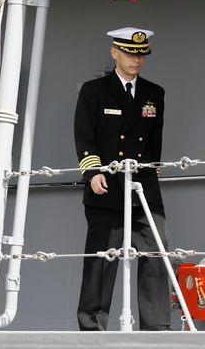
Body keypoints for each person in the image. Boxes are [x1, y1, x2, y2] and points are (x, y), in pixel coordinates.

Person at [74, 27, 170, 331]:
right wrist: (92, 171)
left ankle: (157, 329)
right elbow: (84, 135)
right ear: (115, 52)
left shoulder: (154, 94)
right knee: (101, 261)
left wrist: (152, 176)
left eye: (141, 54)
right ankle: (92, 328)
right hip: (107, 187)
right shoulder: (95, 91)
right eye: (130, 53)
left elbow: (155, 144)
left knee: (156, 252)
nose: (137, 59)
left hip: (143, 189)